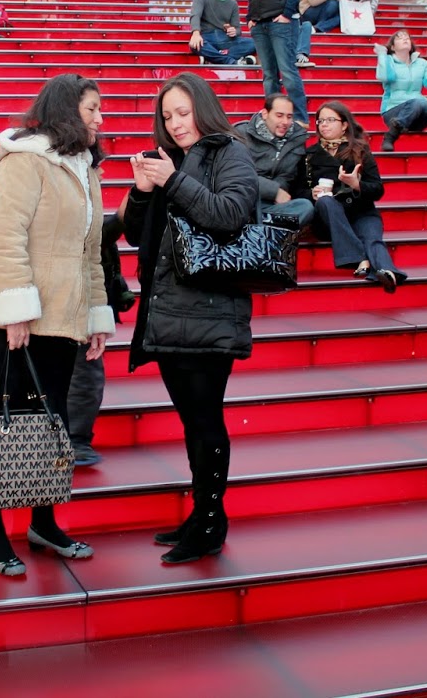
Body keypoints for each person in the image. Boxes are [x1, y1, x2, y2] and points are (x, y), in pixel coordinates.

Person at [0, 75, 112, 576]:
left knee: (50, 425)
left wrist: (96, 315)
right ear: (68, 110)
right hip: (18, 320)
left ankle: (43, 521)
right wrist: (16, 309)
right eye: (92, 110)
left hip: (65, 317)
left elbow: (93, 254)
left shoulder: (87, 169)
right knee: (1, 425)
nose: (100, 119)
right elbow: (4, 237)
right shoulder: (25, 161)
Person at [124, 73, 257, 564]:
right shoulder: (170, 161)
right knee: (192, 420)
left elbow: (231, 215)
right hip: (169, 311)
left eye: (182, 113)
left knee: (204, 419)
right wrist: (142, 190)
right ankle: (203, 513)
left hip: (209, 311)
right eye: (167, 117)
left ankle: (210, 522)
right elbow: (140, 236)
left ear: (202, 108)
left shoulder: (231, 153)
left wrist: (173, 182)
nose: (175, 124)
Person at [307, 101, 406, 291]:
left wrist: (356, 184)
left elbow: (377, 189)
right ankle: (359, 258)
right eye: (320, 121)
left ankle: (388, 273)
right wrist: (311, 193)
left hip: (361, 211)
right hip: (329, 218)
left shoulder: (360, 151)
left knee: (372, 237)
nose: (323, 125)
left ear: (344, 125)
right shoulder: (310, 155)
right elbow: (298, 190)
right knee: (327, 201)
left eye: (330, 120)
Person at [243, 0, 308, 123]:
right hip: (260, 23)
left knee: (287, 71)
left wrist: (287, 14)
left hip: (280, 22)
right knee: (269, 75)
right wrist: (250, 18)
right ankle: (272, 116)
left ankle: (298, 117)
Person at [234, 94, 313, 228]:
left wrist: (279, 192)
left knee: (305, 207)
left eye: (289, 117)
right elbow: (237, 173)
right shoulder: (241, 133)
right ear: (265, 114)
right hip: (242, 199)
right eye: (279, 115)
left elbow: (288, 176)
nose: (285, 122)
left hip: (271, 205)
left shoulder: (297, 139)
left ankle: (257, 225)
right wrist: (274, 191)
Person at [188, 0, 255, 66]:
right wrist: (195, 33)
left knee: (255, 43)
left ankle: (214, 57)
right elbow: (195, 15)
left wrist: (234, 31)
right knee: (195, 45)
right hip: (207, 36)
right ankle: (231, 61)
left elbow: (238, 29)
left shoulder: (233, 4)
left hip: (225, 37)